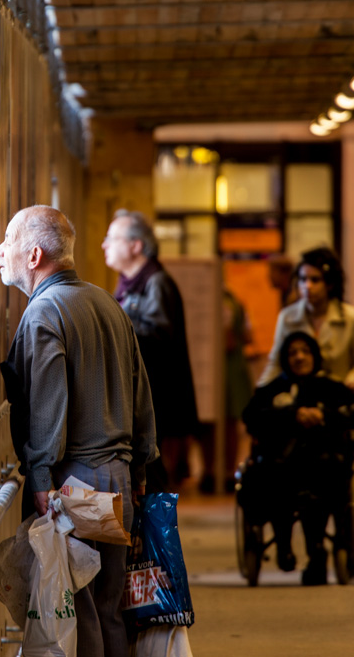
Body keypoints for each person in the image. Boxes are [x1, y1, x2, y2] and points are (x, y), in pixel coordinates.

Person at [0, 205, 158, 657]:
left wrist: (41, 476)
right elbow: (141, 393)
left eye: (8, 240)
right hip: (117, 477)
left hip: (72, 483)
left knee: (73, 606)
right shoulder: (106, 304)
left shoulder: (44, 313)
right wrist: (139, 467)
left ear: (34, 255)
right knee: (107, 608)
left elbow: (47, 404)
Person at [242, 331, 354, 585]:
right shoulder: (271, 390)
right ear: (284, 358)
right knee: (276, 481)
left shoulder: (331, 388)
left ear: (315, 356)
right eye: (293, 352)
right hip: (279, 470)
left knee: (323, 484)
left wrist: (323, 415)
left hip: (324, 468)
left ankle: (317, 552)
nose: (299, 357)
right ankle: (284, 547)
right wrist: (292, 415)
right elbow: (251, 417)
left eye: (305, 351)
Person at [102, 210, 198, 490]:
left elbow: (157, 339)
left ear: (136, 246)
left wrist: (112, 328)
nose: (104, 244)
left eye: (112, 238)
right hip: (143, 398)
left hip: (156, 400)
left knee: (152, 480)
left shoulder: (156, 282)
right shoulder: (132, 282)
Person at [258, 246, 354, 388]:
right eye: (303, 279)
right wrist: (261, 391)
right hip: (300, 396)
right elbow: (276, 364)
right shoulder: (288, 317)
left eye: (315, 280)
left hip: (340, 395)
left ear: (330, 284)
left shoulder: (349, 318)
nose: (307, 286)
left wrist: (350, 383)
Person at [201, 288, 253, 493]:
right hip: (230, 368)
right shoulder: (233, 300)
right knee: (225, 423)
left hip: (222, 368)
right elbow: (246, 336)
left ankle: (212, 471)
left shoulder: (223, 301)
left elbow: (228, 340)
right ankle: (226, 471)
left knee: (217, 422)